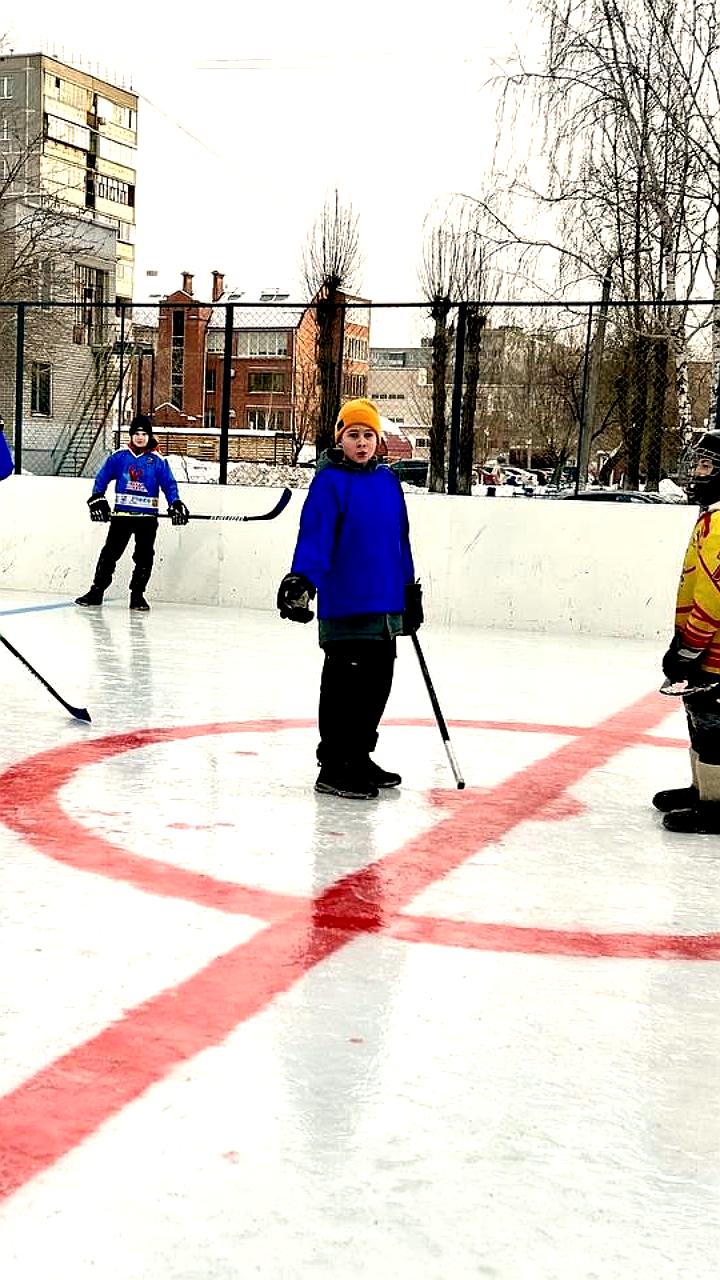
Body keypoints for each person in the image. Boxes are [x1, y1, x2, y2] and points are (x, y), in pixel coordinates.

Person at [276, 397, 423, 800]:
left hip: (386, 606)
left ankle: (358, 755)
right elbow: (316, 538)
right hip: (347, 605)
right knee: (345, 690)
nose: (361, 442)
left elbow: (400, 541)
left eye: (368, 435)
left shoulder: (388, 482)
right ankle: (334, 764)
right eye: (353, 434)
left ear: (379, 440)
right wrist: (302, 580)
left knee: (377, 686)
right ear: (339, 438)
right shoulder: (330, 483)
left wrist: (409, 591)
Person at [655, 430, 720, 832]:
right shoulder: (711, 516)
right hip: (705, 648)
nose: (697, 473)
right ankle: (702, 791)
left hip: (714, 650)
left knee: (714, 725)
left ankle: (715, 805)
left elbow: (713, 596)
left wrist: (689, 647)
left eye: (706, 466)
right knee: (699, 715)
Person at [75, 415, 189, 611]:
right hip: (122, 517)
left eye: (144, 434)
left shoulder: (158, 461)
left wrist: (175, 503)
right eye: (136, 433)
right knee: (109, 554)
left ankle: (137, 595)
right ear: (131, 435)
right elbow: (102, 477)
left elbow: (169, 485)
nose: (140, 437)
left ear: (149, 436)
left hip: (147, 520)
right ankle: (96, 591)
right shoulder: (119, 457)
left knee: (144, 557)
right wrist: (97, 497)